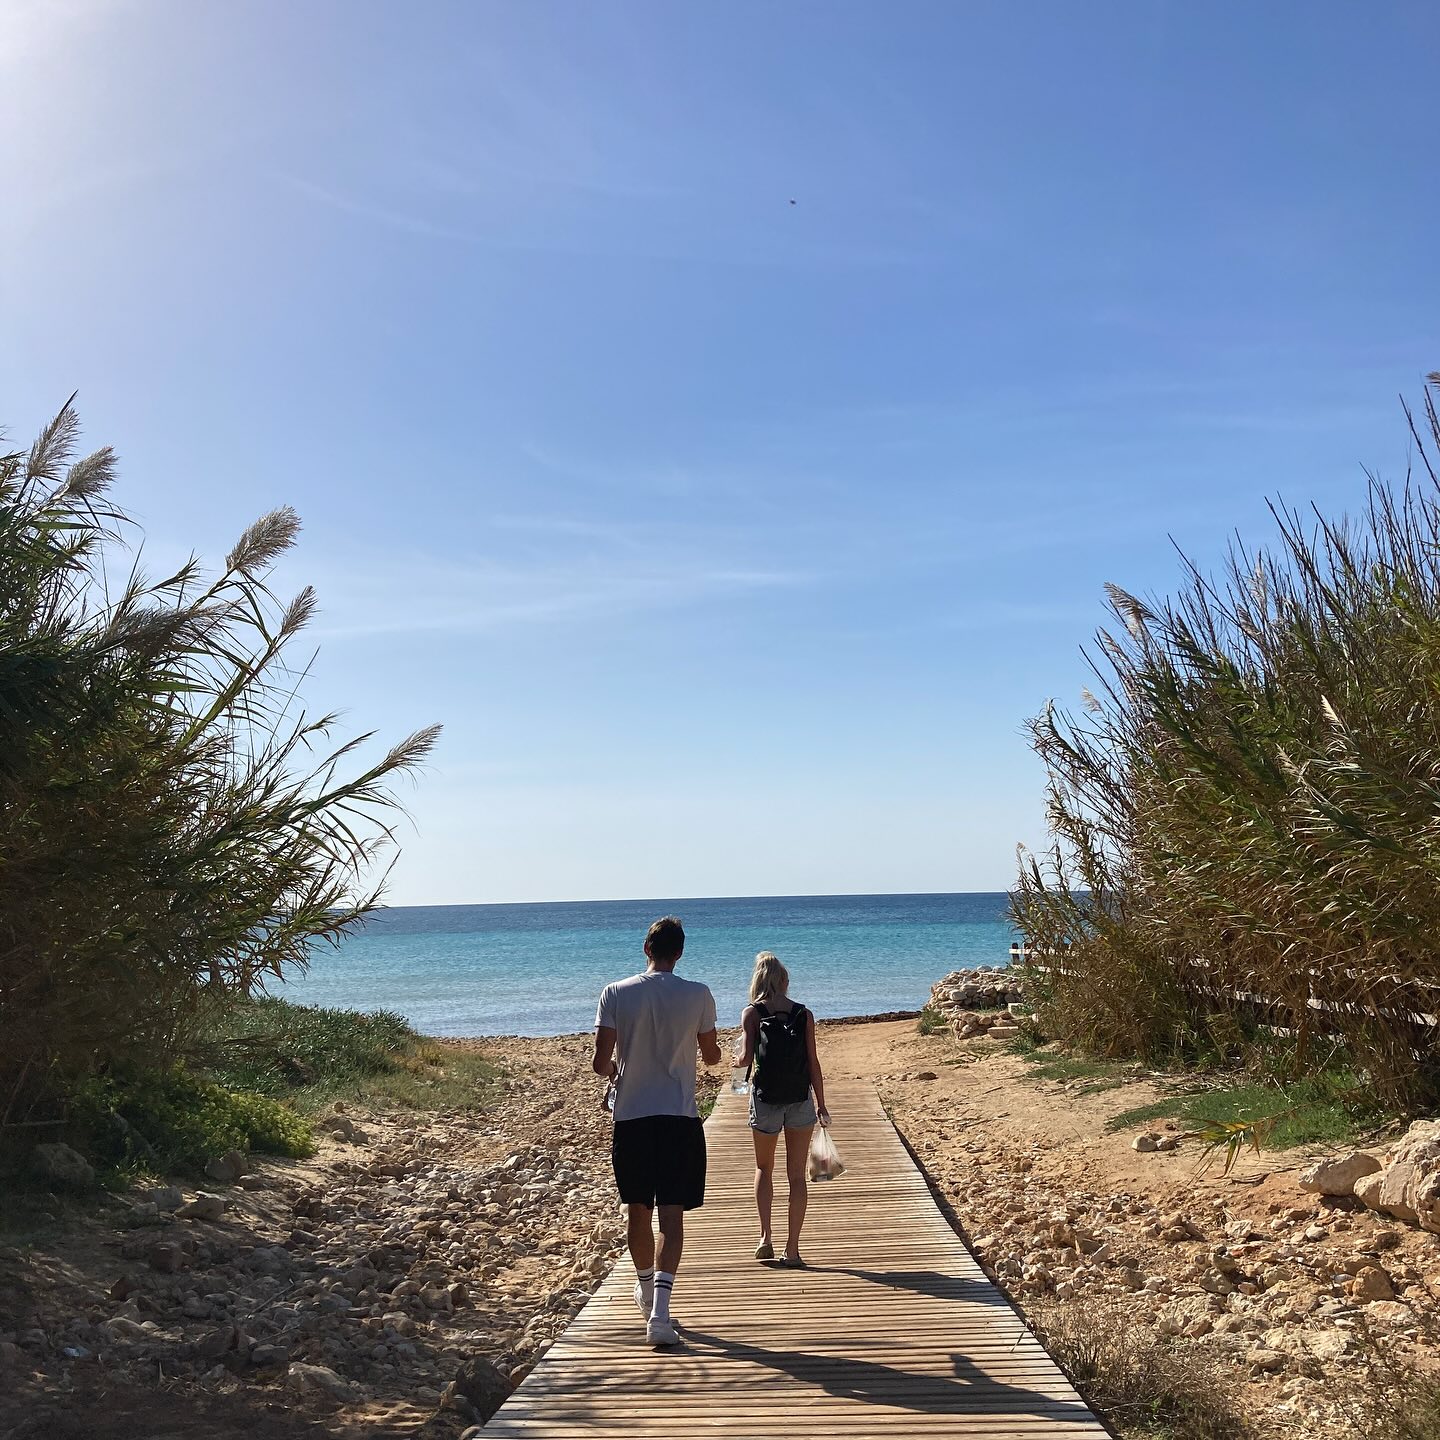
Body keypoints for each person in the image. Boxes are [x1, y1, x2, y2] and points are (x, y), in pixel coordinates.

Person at [593, 915, 721, 1347]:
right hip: (679, 1116)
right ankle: (661, 1315)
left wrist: (616, 1070)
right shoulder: (698, 994)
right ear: (679, 952)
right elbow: (711, 1057)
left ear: (646, 949)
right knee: (672, 1213)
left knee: (637, 1210)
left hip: (632, 1116)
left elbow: (600, 1062)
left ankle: (646, 1291)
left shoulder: (614, 992)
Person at [733, 951, 829, 1267]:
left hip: (765, 1099)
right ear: (784, 981)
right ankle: (794, 1249)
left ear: (758, 981)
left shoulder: (752, 1013)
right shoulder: (804, 1014)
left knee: (764, 1168)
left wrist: (738, 1059)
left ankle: (765, 1238)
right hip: (800, 1100)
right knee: (797, 1177)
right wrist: (822, 1105)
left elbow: (746, 1059)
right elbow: (813, 1062)